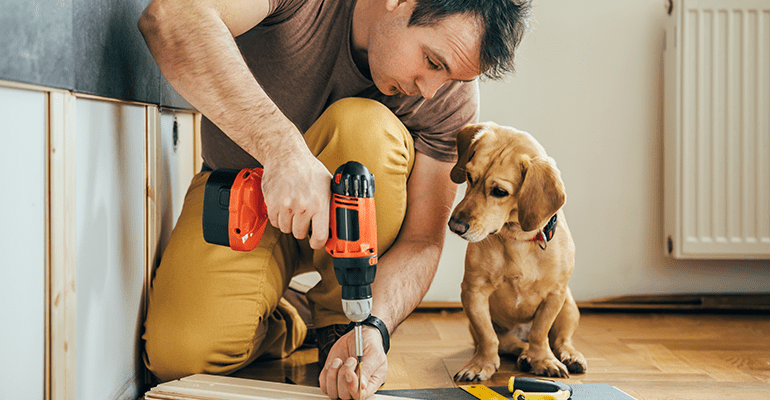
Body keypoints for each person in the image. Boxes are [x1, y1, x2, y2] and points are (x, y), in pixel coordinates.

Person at [138, 0, 531, 398]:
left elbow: (421, 241)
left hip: (352, 239)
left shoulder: (449, 98)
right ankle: (295, 315)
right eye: (432, 61)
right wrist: (283, 152)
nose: (430, 92)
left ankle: (340, 321)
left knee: (364, 128)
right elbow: (172, 17)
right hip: (242, 194)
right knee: (180, 356)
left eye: (451, 79)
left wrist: (373, 325)